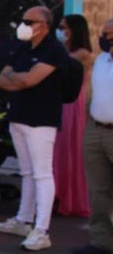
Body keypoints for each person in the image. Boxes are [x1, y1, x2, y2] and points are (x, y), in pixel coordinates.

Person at [0, 5, 70, 251]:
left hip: (41, 121)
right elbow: (2, 79)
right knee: (26, 172)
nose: (24, 25)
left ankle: (41, 230)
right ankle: (23, 220)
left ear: (43, 26)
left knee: (42, 174)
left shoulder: (54, 50)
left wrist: (19, 78)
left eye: (29, 21)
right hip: (19, 117)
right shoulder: (23, 47)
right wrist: (21, 79)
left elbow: (29, 79)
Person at [75, 18, 113, 254]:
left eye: (111, 35)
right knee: (98, 190)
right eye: (104, 34)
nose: (107, 39)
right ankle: (101, 240)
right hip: (95, 130)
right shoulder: (100, 61)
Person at [52, 14, 93, 217]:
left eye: (63, 27)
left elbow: (61, 66)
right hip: (58, 100)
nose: (60, 30)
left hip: (71, 105)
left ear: (74, 30)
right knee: (56, 150)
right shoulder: (64, 50)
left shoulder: (82, 53)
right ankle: (55, 195)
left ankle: (67, 198)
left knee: (67, 149)